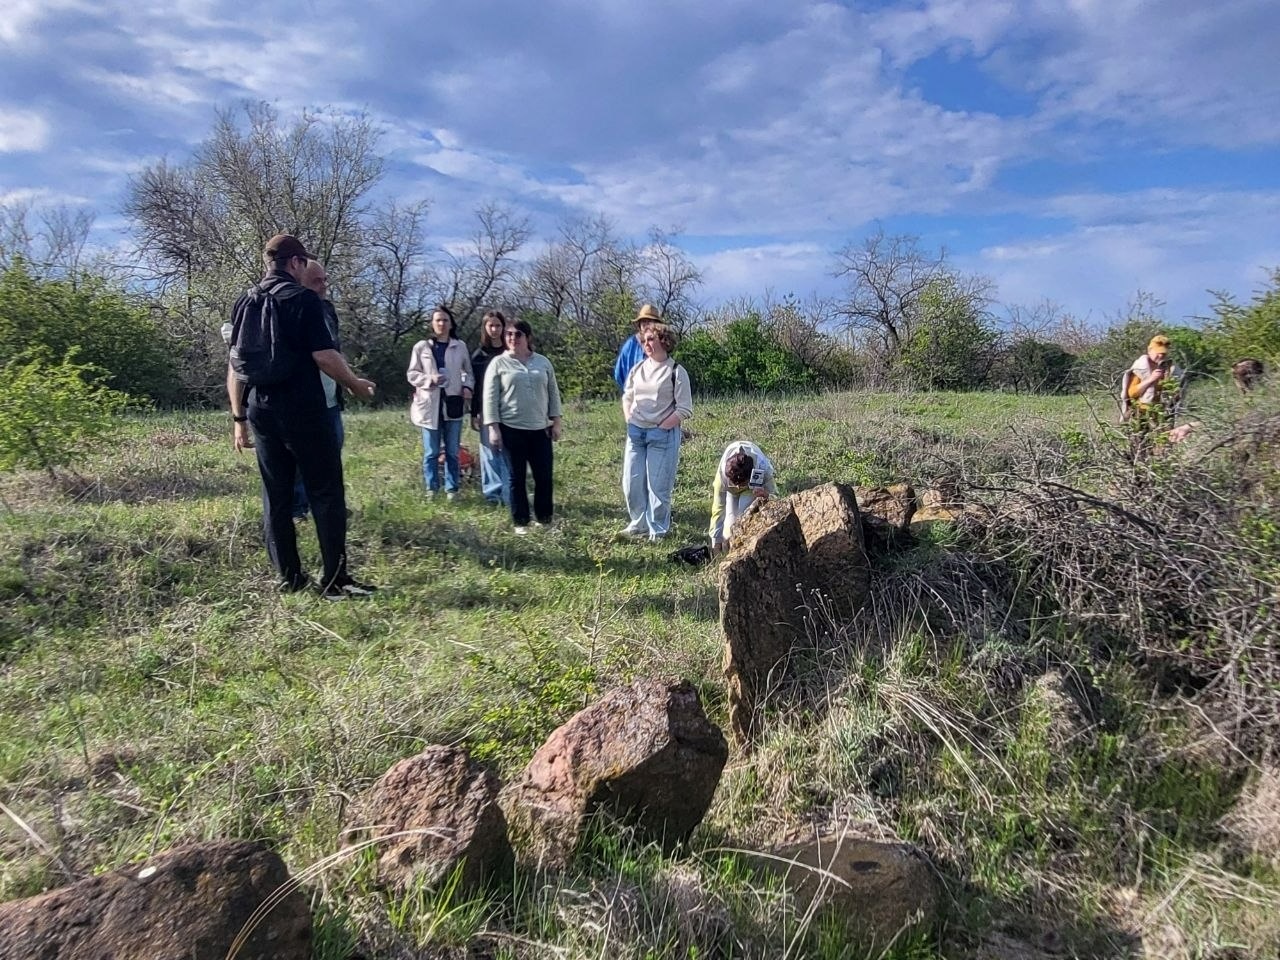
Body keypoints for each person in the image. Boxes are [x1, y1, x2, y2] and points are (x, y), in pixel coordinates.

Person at [227, 234, 377, 599]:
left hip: (260, 409)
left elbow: (235, 366)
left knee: (275, 496)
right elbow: (324, 356)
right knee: (325, 493)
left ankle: (290, 578)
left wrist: (238, 418)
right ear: (294, 263)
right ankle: (335, 581)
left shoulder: (245, 301)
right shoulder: (303, 300)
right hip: (303, 410)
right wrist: (354, 383)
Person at [483, 319, 563, 534]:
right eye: (508, 334)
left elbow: (553, 393)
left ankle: (545, 519)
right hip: (511, 428)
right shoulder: (498, 364)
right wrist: (493, 427)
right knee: (516, 478)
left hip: (540, 429)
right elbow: (490, 397)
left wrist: (556, 421)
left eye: (517, 334)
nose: (512, 338)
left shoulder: (543, 362)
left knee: (544, 476)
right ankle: (521, 522)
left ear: (528, 337)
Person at [620, 323, 692, 541]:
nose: (646, 344)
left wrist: (663, 426)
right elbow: (627, 396)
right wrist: (629, 418)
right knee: (631, 483)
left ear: (664, 340)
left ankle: (658, 529)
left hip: (662, 436)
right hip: (636, 433)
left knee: (658, 486)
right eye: (644, 340)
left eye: (651, 339)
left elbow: (684, 408)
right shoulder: (637, 369)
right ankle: (638, 524)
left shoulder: (676, 371)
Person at [289, 259, 344, 521]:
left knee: (333, 455)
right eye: (316, 281)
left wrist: (346, 379)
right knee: (301, 459)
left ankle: (329, 508)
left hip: (331, 396)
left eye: (325, 280)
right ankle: (298, 508)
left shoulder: (328, 310)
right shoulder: (292, 308)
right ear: (301, 281)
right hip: (304, 399)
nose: (323, 286)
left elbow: (334, 350)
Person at [408, 306, 474, 501]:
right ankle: (431, 488)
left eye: (445, 320)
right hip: (429, 405)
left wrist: (467, 387)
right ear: (432, 324)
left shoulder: (459, 346)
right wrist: (429, 379)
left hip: (453, 403)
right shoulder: (422, 347)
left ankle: (452, 489)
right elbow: (412, 374)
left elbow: (468, 372)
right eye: (438, 320)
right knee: (432, 452)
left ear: (451, 323)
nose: (441, 324)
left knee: (452, 451)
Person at [470, 310, 511, 506]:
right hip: (486, 410)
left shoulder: (509, 353)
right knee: (489, 451)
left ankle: (508, 493)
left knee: (508, 451)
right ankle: (492, 495)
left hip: (510, 409)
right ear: (485, 328)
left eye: (498, 325)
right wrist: (474, 413)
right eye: (491, 326)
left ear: (504, 328)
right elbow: (476, 387)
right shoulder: (479, 355)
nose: (494, 329)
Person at [709, 440, 777, 552]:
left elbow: (776, 497)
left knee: (744, 516)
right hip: (730, 491)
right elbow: (718, 508)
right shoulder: (721, 480)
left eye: (741, 485)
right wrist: (716, 540)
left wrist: (765, 495)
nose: (738, 488)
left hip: (752, 490)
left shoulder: (764, 468)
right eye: (734, 484)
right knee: (728, 531)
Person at [1122, 335, 1185, 451]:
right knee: (1139, 446)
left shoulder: (1171, 369)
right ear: (1149, 350)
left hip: (1162, 414)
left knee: (1164, 445)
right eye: (1158, 352)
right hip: (1141, 413)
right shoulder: (1140, 368)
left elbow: (1177, 393)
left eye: (1164, 353)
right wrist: (1151, 379)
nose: (1161, 355)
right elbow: (1131, 393)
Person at [613, 303, 661, 390]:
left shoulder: (661, 344)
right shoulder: (630, 345)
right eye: (644, 322)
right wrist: (629, 391)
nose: (647, 325)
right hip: (634, 396)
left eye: (650, 322)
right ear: (639, 325)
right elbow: (618, 374)